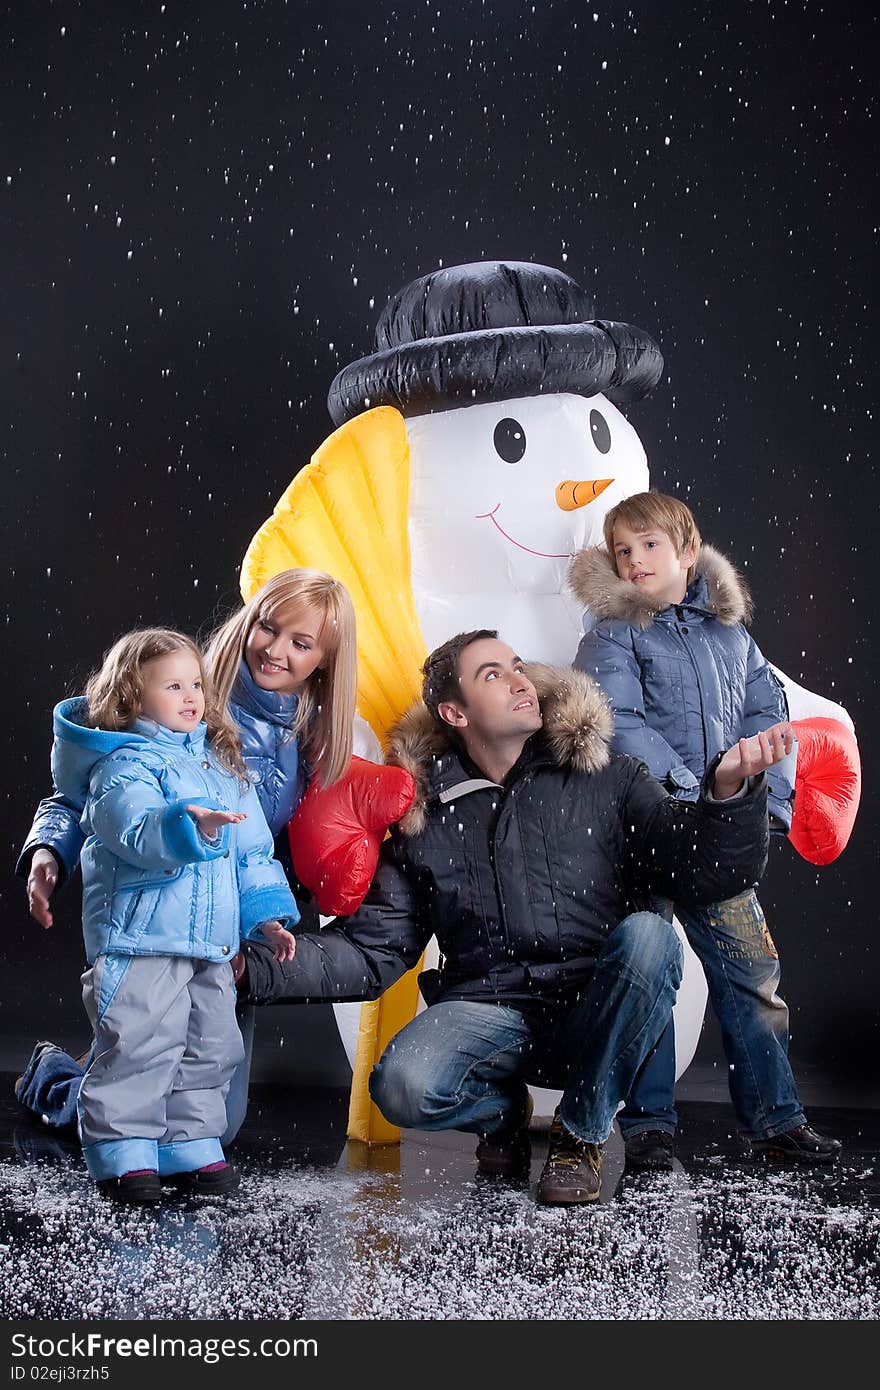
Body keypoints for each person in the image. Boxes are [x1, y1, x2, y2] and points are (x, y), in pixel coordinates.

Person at [235, 628, 789, 1207]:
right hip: (487, 1011)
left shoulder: (611, 777)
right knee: (401, 1086)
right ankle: (502, 1118)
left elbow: (700, 870)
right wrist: (255, 968)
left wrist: (729, 795)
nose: (520, 680)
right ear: (454, 712)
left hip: (595, 1013)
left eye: (517, 665)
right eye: (492, 675)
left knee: (651, 937)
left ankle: (580, 1133)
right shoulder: (423, 814)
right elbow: (373, 950)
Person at [15, 568, 362, 1142]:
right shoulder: (189, 693)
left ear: (326, 658)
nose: (274, 651)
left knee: (212, 1124)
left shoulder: (313, 727)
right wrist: (50, 848)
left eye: (300, 644)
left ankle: (102, 1083)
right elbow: (90, 783)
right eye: (267, 628)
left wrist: (266, 915)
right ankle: (55, 1081)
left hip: (229, 921)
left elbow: (257, 842)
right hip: (156, 912)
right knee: (140, 1090)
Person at [570, 490, 841, 1169]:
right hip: (646, 836)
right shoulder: (612, 634)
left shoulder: (732, 638)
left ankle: (777, 1116)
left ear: (688, 553)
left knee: (752, 975)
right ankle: (651, 1123)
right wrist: (695, 791)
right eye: (623, 551)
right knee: (652, 976)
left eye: (650, 546)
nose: (635, 562)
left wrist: (757, 806)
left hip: (718, 837)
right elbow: (618, 724)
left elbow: (768, 723)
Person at [49, 627, 300, 1204]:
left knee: (211, 1045)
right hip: (141, 938)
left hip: (209, 943)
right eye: (172, 686)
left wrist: (265, 917)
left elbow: (253, 853)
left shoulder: (220, 767)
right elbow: (135, 830)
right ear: (131, 698)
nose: (192, 697)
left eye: (196, 685)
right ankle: (123, 1147)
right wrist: (192, 825)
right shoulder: (124, 767)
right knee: (140, 1042)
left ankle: (187, 1141)